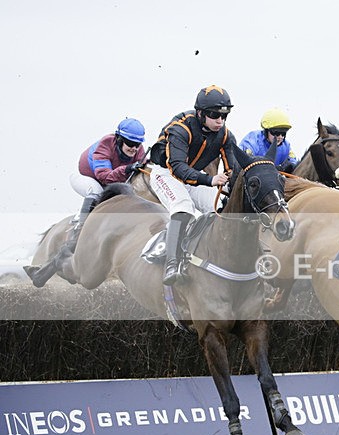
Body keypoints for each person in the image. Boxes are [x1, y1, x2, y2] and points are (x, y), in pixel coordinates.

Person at [148, 84, 240, 285]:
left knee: (222, 207)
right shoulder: (181, 127)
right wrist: (210, 180)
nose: (220, 121)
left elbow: (233, 168)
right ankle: (172, 263)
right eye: (215, 115)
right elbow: (178, 168)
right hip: (166, 173)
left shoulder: (225, 135)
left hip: (192, 175)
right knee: (183, 208)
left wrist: (233, 185)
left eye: (224, 116)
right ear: (201, 113)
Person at [65, 118, 148, 249]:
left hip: (112, 183)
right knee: (96, 191)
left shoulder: (139, 151)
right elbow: (104, 177)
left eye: (137, 144)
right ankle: (80, 230)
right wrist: (127, 169)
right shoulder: (105, 144)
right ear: (119, 139)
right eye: (130, 143)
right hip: (89, 178)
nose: (134, 148)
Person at [239, 107, 298, 172]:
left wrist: (290, 166)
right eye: (276, 133)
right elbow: (244, 160)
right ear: (266, 131)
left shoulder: (286, 145)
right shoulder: (252, 140)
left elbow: (293, 161)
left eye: (283, 133)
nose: (280, 137)